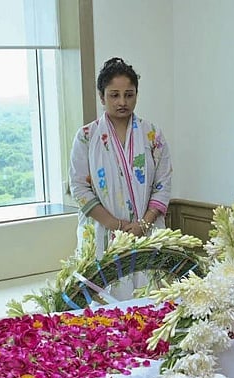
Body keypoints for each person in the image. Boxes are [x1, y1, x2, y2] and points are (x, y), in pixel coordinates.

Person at [69, 57, 172, 257]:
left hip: (146, 231)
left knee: (150, 287)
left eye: (129, 95)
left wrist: (143, 224)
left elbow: (163, 183)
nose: (122, 102)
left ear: (137, 95)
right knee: (105, 285)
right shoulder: (86, 137)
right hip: (103, 232)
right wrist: (115, 225)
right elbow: (78, 187)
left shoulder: (153, 135)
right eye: (114, 95)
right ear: (101, 97)